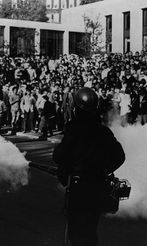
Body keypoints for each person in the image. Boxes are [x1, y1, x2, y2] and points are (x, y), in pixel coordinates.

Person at [53, 87, 125, 246]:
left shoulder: (74, 129)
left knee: (77, 234)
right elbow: (119, 156)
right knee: (90, 232)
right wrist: (101, 170)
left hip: (78, 188)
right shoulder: (103, 131)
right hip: (97, 187)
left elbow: (59, 156)